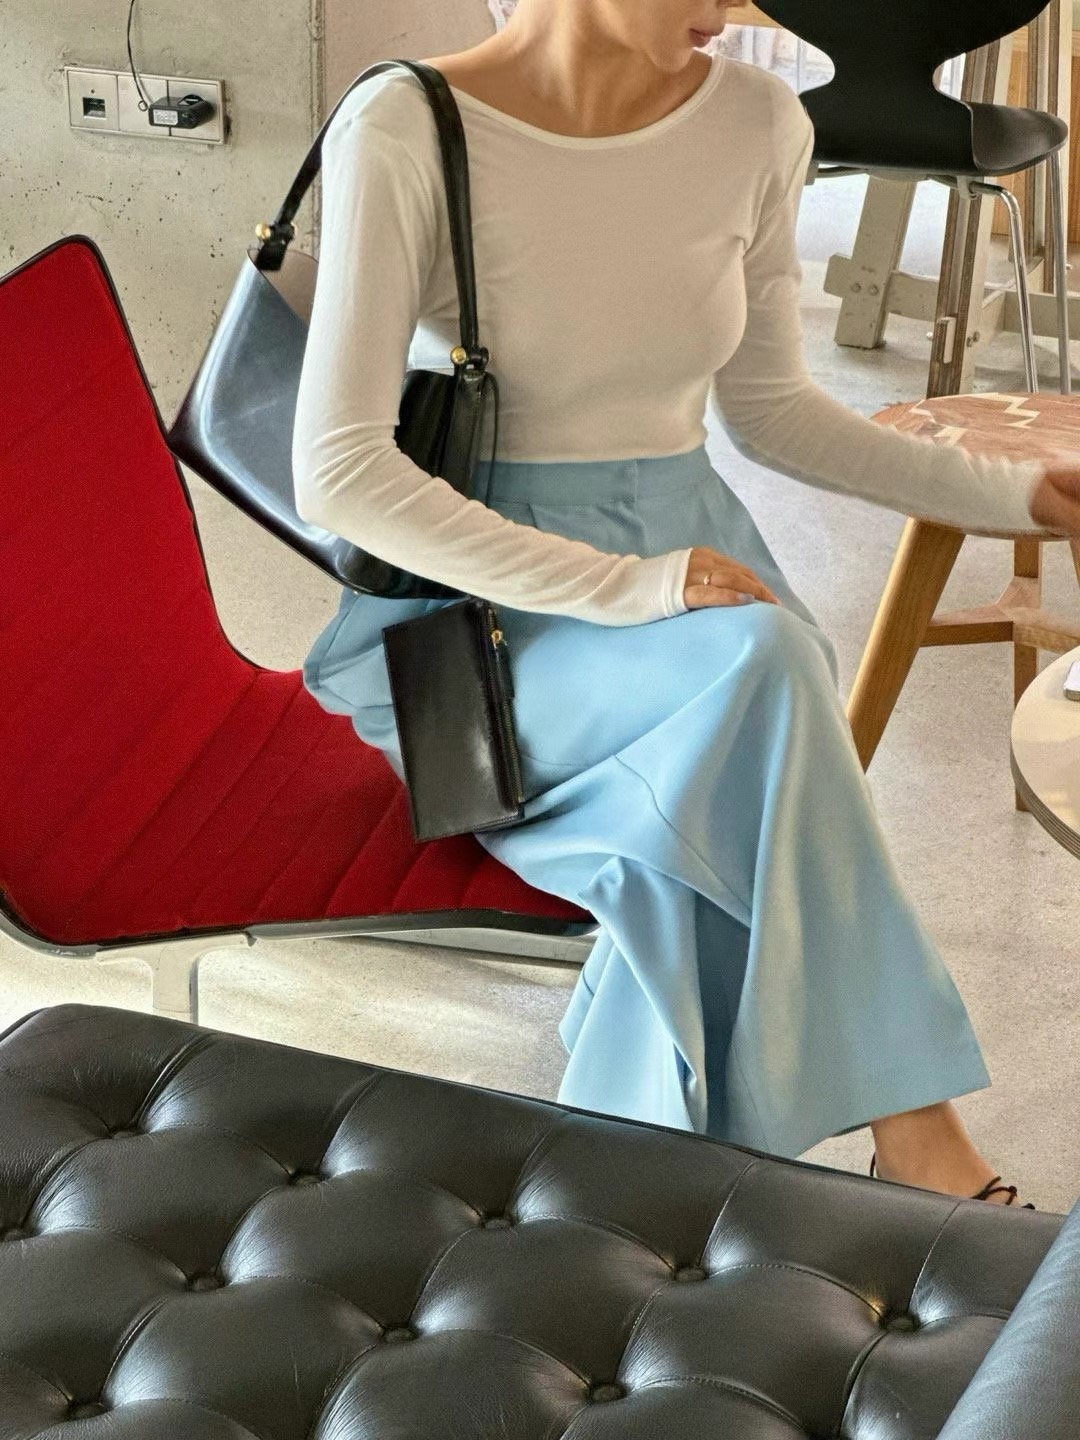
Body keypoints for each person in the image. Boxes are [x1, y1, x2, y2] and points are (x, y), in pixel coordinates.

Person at [291, 0, 1080, 1205]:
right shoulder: (410, 125)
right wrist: (628, 587)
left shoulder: (757, 120)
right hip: (491, 622)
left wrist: (1019, 497)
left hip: (698, 572)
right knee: (765, 674)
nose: (732, 7)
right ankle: (918, 1143)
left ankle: (638, 1198)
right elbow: (341, 472)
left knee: (744, 720)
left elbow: (772, 414)